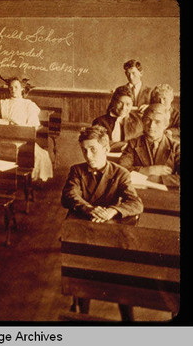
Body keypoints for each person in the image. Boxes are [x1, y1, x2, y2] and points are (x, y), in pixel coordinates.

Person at [61, 125, 143, 321]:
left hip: (111, 233)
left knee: (120, 276)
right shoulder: (77, 171)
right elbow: (69, 195)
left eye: (93, 149)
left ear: (106, 149)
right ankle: (83, 312)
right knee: (82, 273)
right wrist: (90, 209)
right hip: (85, 231)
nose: (88, 155)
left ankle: (127, 318)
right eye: (84, 150)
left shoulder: (120, 173)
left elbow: (136, 203)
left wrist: (112, 211)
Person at [0, 76, 53, 181]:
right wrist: (9, 123)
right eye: (11, 87)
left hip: (23, 140)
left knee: (40, 156)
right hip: (3, 139)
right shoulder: (3, 104)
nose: (13, 90)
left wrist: (19, 128)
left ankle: (30, 179)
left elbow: (34, 126)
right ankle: (2, 179)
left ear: (22, 89)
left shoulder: (29, 105)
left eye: (16, 87)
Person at [118, 103, 180, 187]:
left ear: (165, 125)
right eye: (148, 119)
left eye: (157, 122)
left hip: (166, 195)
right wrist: (147, 170)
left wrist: (159, 179)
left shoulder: (176, 147)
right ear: (142, 120)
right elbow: (121, 169)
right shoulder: (132, 144)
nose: (151, 125)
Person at [92, 85, 143, 152]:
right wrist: (127, 146)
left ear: (132, 104)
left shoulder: (138, 120)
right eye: (120, 103)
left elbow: (142, 142)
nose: (123, 108)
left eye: (128, 104)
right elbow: (101, 143)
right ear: (113, 102)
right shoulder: (99, 122)